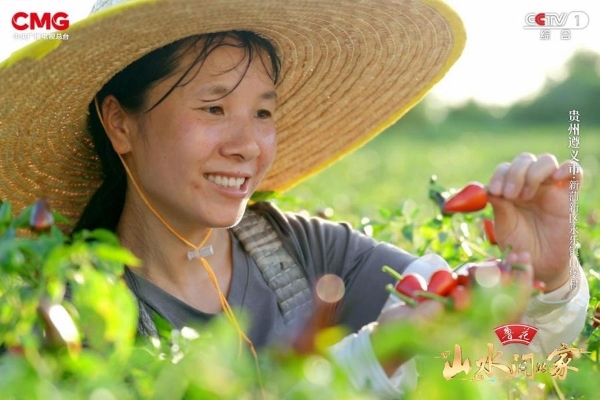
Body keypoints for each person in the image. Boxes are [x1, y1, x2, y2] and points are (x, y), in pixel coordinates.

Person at [0, 0, 589, 397]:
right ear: (119, 124)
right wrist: (365, 362)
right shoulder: (65, 311)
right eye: (213, 108)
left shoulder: (301, 249)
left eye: (263, 112)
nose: (247, 145)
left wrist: (543, 281)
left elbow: (502, 360)